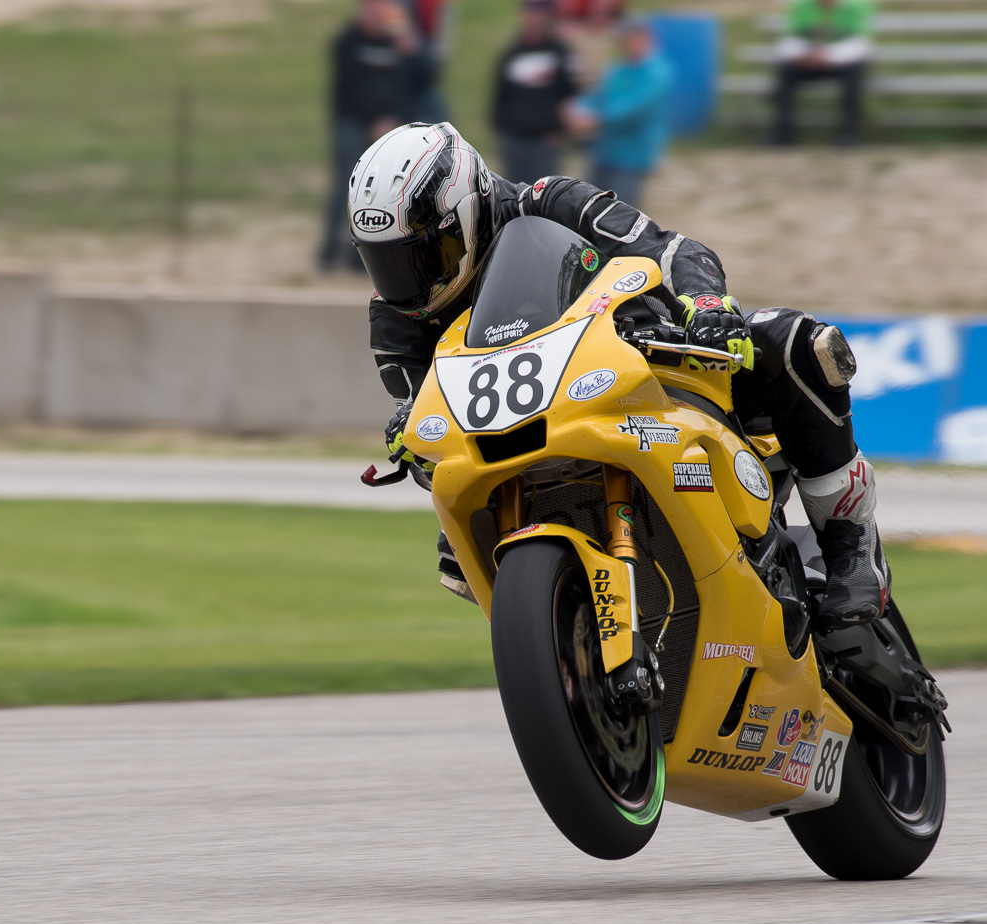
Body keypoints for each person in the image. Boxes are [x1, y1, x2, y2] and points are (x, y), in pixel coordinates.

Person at [348, 122, 890, 628]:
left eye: (424, 254)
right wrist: (414, 430)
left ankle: (851, 550)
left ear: (467, 211)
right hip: (529, 439)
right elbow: (424, 403)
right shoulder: (395, 318)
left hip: (649, 374)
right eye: (388, 263)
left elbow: (666, 248)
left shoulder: (549, 202)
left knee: (792, 341)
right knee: (456, 552)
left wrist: (703, 305)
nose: (408, 283)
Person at [319, 0, 431, 273]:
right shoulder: (348, 43)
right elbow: (347, 90)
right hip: (355, 124)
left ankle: (362, 256)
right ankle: (330, 250)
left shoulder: (397, 44)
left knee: (380, 193)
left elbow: (422, 82)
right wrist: (372, 121)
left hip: (390, 127)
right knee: (348, 186)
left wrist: (413, 49)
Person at [564, 17, 672, 210]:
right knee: (587, 207)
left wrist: (596, 120)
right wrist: (577, 108)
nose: (624, 44)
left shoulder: (657, 72)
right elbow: (598, 96)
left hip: (632, 157)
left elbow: (637, 109)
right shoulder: (617, 70)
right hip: (603, 152)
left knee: (621, 215)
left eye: (629, 38)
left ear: (644, 38)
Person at [490, 0, 580, 184]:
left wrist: (560, 130)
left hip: (544, 140)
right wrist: (502, 127)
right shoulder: (513, 53)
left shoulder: (559, 52)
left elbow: (570, 93)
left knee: (542, 194)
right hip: (514, 138)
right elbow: (501, 95)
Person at [770, 0, 873, 147]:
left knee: (855, 74)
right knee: (785, 71)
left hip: (843, 62)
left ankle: (848, 133)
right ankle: (784, 133)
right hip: (809, 61)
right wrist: (807, 56)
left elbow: (860, 44)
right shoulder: (802, 6)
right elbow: (790, 40)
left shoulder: (856, 6)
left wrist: (827, 56)